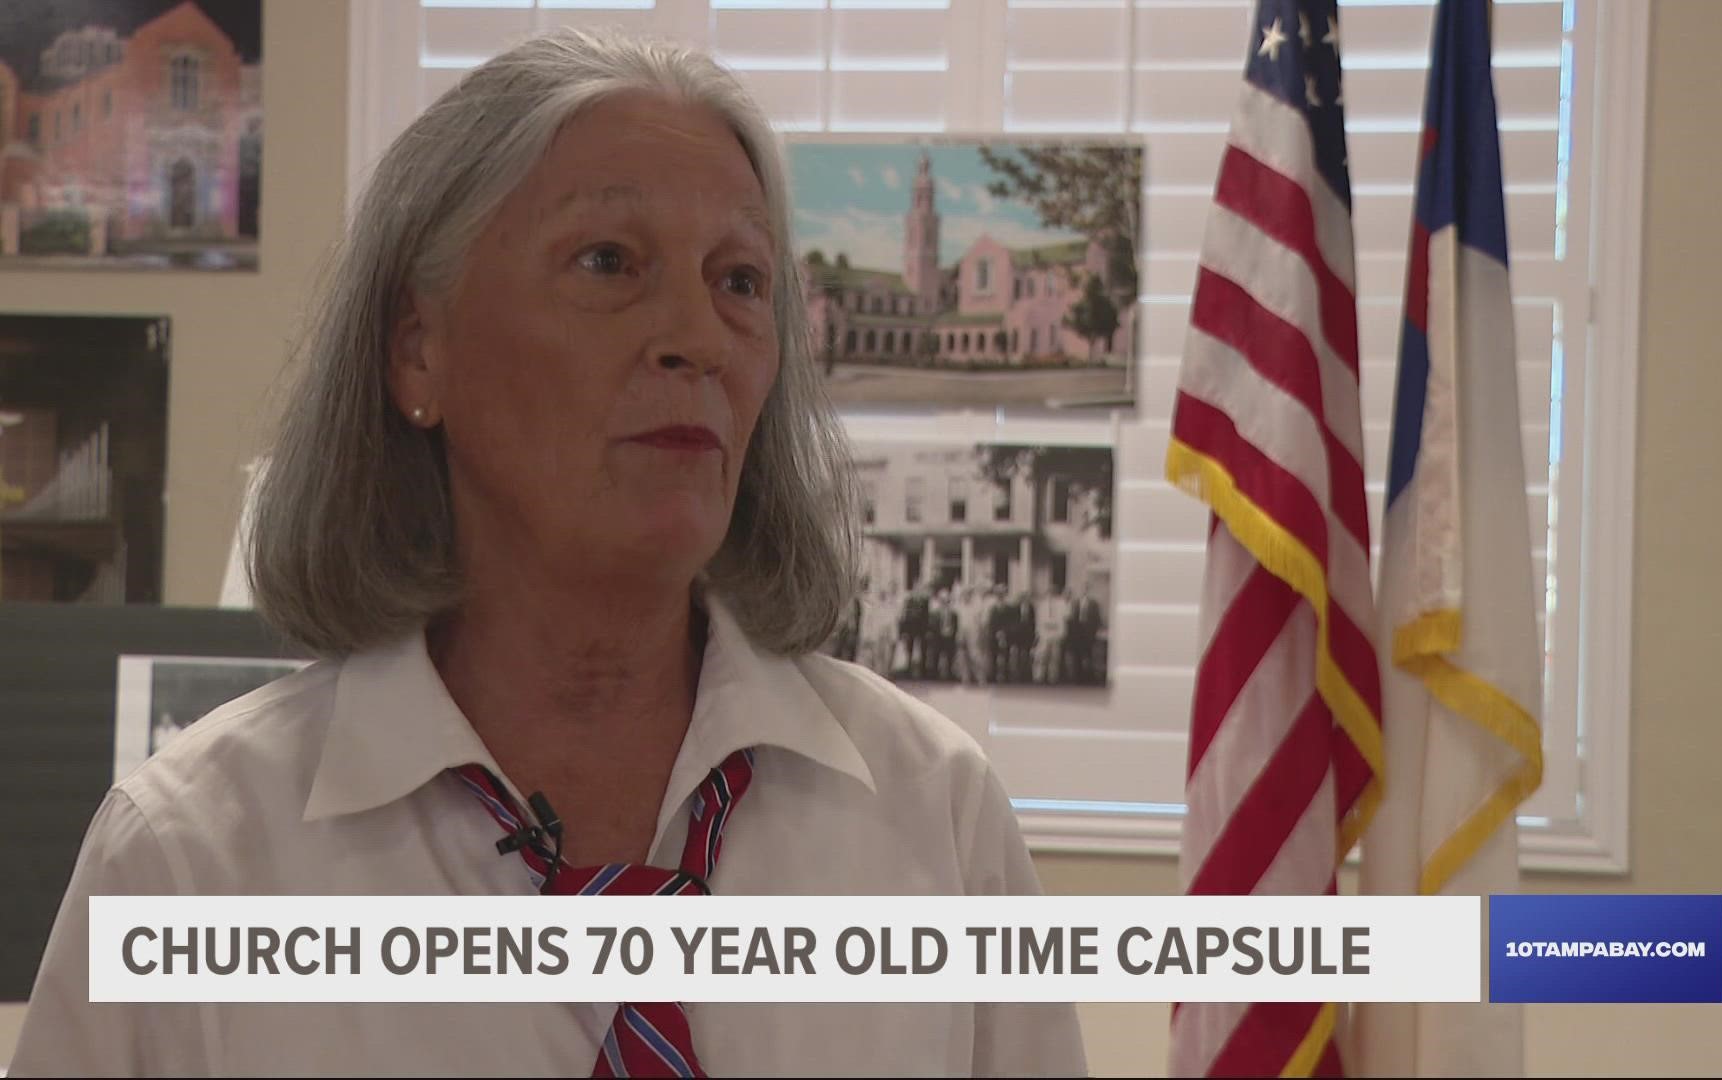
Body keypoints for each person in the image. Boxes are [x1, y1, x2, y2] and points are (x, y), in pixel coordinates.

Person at [9, 30, 1085, 1078]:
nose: (697, 338)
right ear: (417, 346)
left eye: (741, 281)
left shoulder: (932, 817)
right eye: (609, 261)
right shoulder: (193, 861)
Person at [1035, 582, 1071, 686]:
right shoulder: (1042, 605)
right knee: (1041, 657)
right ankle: (1039, 677)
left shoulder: (1061, 604)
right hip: (1044, 634)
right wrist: (1039, 633)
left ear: (1056, 593)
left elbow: (1066, 618)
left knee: (1054, 657)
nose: (1051, 595)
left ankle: (1052, 678)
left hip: (1056, 634)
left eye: (1053, 592)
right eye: (1049, 592)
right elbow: (1039, 620)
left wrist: (1062, 633)